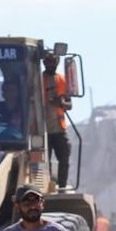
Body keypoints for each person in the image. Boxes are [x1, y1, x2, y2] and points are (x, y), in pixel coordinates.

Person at [42, 52, 73, 189]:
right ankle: (46, 185)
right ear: (44, 62)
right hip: (42, 129)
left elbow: (69, 104)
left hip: (59, 129)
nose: (50, 64)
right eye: (48, 61)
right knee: (44, 160)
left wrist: (60, 104)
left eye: (53, 61)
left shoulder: (62, 80)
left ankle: (62, 185)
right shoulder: (37, 80)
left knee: (65, 156)